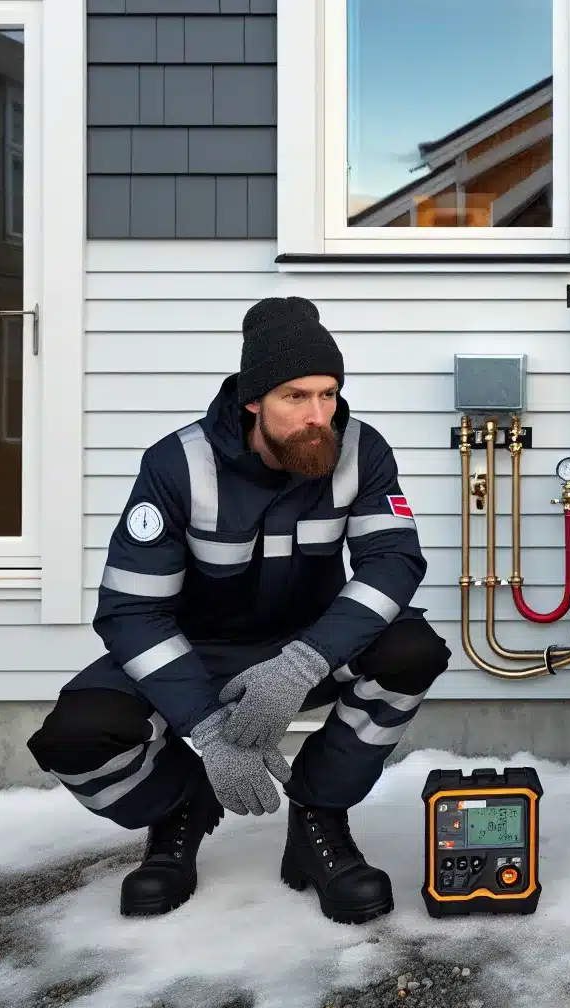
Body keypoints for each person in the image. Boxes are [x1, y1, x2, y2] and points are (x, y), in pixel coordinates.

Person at [26, 296, 450, 924]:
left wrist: (304, 662)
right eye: (295, 397)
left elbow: (393, 562)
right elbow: (130, 610)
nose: (318, 416)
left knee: (414, 651)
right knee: (75, 738)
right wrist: (205, 727)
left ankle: (318, 816)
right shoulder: (178, 463)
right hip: (194, 654)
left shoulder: (362, 450)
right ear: (252, 399)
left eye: (328, 394)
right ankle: (180, 810)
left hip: (311, 646)